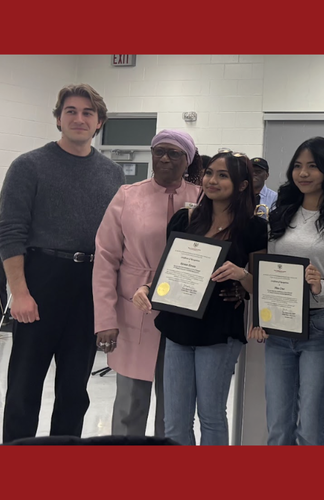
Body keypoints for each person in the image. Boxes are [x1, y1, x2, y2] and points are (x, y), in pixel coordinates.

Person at [0, 83, 125, 443]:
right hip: (41, 279)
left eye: (88, 113)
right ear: (58, 119)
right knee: (25, 386)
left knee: (74, 389)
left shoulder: (113, 174)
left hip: (89, 283)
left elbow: (116, 239)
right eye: (71, 111)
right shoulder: (28, 166)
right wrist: (19, 292)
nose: (79, 118)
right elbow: (10, 233)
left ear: (99, 123)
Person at [132, 150, 267, 445]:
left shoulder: (254, 228)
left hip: (219, 331)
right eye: (209, 173)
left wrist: (242, 276)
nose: (212, 180)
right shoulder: (184, 219)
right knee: (175, 420)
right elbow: (166, 272)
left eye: (223, 175)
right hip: (177, 326)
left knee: (212, 415)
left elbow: (261, 287)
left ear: (242, 184)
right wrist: (146, 289)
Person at [247, 137, 324, 445]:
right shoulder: (279, 216)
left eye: (312, 166)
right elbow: (266, 271)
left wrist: (321, 284)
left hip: (321, 327)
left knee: (311, 425)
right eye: (297, 166)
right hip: (279, 328)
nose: (303, 173)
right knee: (279, 424)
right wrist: (260, 318)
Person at [92, 130, 203, 437]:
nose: (165, 158)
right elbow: (105, 259)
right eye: (159, 152)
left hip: (182, 311)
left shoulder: (201, 197)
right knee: (129, 404)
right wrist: (105, 319)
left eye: (174, 154)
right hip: (133, 313)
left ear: (188, 160)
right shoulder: (127, 195)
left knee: (175, 407)